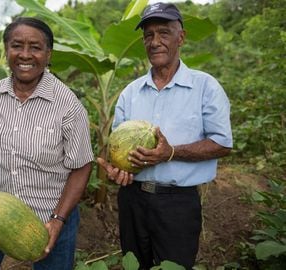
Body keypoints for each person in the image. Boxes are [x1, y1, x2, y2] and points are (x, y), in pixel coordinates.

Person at [97, 2, 233, 269]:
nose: (155, 42)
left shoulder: (205, 87)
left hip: (178, 204)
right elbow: (117, 149)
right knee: (135, 265)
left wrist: (170, 153)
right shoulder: (130, 92)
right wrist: (117, 171)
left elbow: (222, 144)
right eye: (148, 35)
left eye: (164, 33)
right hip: (132, 200)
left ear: (181, 37)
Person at [0, 17, 94, 270]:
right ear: (6, 50)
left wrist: (58, 219)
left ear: (48, 54)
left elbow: (82, 166)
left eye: (36, 47)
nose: (25, 55)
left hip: (50, 216)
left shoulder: (68, 105)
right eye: (17, 46)